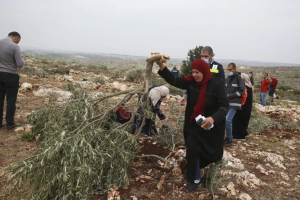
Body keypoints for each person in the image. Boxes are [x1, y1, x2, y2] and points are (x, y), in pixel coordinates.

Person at [157, 58, 229, 192]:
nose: (194, 75)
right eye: (193, 72)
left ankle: (202, 165)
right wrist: (161, 65)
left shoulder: (217, 84)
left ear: (204, 71)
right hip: (194, 125)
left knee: (209, 153)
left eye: (197, 72)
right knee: (192, 149)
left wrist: (213, 118)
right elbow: (174, 80)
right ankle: (195, 178)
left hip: (211, 127)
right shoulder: (190, 82)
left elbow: (224, 106)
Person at [0, 32, 26, 130]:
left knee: (0, 99)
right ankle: (10, 123)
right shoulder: (14, 47)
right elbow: (20, 64)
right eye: (17, 41)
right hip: (10, 75)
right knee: (11, 100)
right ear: (16, 38)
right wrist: (24, 60)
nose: (17, 43)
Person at [224, 63, 245, 145]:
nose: (229, 71)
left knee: (228, 120)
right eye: (228, 69)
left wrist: (230, 95)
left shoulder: (239, 78)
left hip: (235, 103)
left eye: (230, 70)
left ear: (234, 70)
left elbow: (242, 92)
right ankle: (226, 137)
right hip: (226, 103)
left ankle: (229, 138)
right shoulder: (227, 79)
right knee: (225, 120)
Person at [232, 73, 254, 139]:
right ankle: (244, 132)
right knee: (245, 121)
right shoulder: (250, 87)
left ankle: (238, 135)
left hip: (242, 107)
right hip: (248, 107)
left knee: (238, 121)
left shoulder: (244, 87)